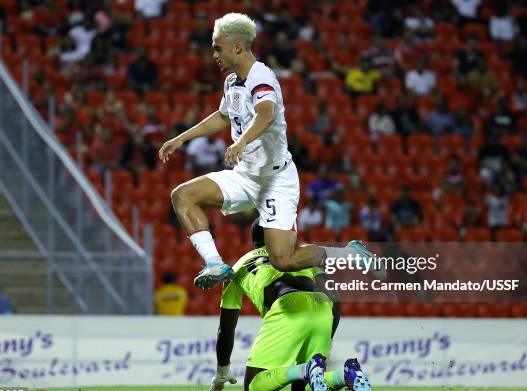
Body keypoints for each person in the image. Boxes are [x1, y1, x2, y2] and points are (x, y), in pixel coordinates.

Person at [158, 13, 377, 290]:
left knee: (284, 260)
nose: (213, 54)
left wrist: (241, 142)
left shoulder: (261, 76)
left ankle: (347, 254)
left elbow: (267, 112)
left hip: (276, 181)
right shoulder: (232, 81)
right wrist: (181, 138)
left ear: (237, 47)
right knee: (182, 195)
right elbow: (224, 116)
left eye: (217, 47)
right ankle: (214, 263)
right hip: (245, 175)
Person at [209, 219, 371, 391]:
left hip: (288, 307)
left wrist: (222, 372)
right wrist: (327, 337)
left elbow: (226, 328)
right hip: (323, 307)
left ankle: (306, 369)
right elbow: (334, 296)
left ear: (254, 242)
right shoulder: (299, 254)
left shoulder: (238, 267)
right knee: (302, 390)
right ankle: (345, 375)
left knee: (254, 387)